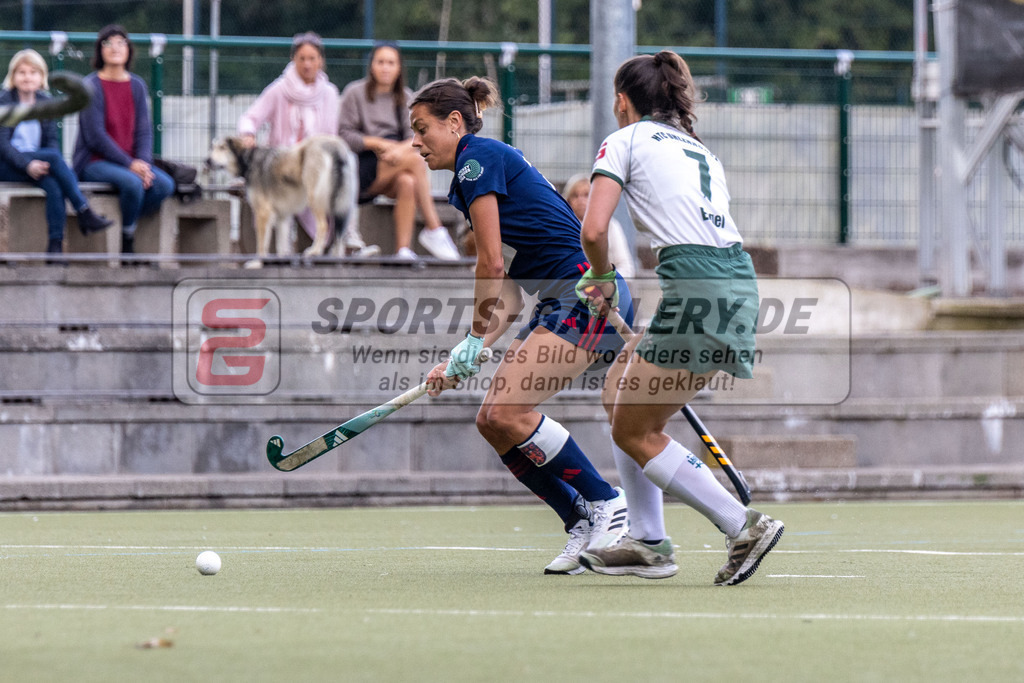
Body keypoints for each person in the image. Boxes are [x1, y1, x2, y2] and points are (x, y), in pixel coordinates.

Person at [576, 51, 784, 586]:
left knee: (634, 428)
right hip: (736, 279)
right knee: (619, 388)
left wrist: (600, 276)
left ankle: (742, 525)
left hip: (696, 285)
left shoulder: (623, 140)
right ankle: (647, 542)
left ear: (623, 100)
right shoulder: (701, 151)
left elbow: (595, 231)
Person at [411, 76, 630, 575]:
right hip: (556, 303)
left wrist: (471, 339)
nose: (415, 142)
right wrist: (466, 353)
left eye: (423, 130)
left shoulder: (475, 159)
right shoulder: (466, 181)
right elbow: (507, 292)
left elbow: (488, 265)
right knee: (491, 420)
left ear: (454, 122)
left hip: (589, 299)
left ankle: (605, 502)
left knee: (508, 412)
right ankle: (578, 520)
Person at [238, 31, 374, 257]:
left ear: (321, 61)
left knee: (344, 170)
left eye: (312, 59)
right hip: (282, 167)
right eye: (302, 59)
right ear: (294, 60)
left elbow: (331, 135)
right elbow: (250, 117)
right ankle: (279, 253)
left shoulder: (330, 93)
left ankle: (346, 237)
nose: (307, 64)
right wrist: (248, 134)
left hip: (316, 165)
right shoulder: (279, 89)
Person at [339, 43, 460, 261]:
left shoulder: (406, 97)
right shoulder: (354, 93)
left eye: (391, 63)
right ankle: (434, 228)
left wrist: (398, 151)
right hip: (361, 167)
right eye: (381, 62)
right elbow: (345, 135)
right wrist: (378, 144)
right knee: (415, 162)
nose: (385, 68)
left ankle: (403, 251)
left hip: (396, 161)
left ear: (399, 68)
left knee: (408, 182)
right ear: (372, 66)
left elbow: (414, 135)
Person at [72, 25, 175, 255]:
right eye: (108, 43)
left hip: (131, 163)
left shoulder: (137, 85)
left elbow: (144, 132)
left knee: (164, 185)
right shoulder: (90, 86)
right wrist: (130, 165)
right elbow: (95, 137)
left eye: (121, 42)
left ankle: (125, 223)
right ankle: (127, 240)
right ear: (100, 51)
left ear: (129, 50)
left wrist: (144, 164)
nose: (115, 48)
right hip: (94, 162)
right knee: (132, 183)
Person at [0, 49, 113, 256]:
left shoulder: (44, 102)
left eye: (33, 72)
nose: (27, 77)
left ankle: (55, 247)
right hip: (8, 164)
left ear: (41, 77)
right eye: (22, 72)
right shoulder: (4, 101)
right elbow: (3, 145)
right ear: (13, 76)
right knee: (53, 157)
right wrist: (27, 165)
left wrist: (40, 165)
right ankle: (83, 210)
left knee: (53, 185)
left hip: (37, 163)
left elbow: (51, 141)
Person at [561, 173, 636, 279]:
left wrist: (606, 284)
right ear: (568, 200)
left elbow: (626, 267)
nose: (580, 200)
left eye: (586, 194)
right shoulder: (562, 229)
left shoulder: (611, 226)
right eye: (575, 195)